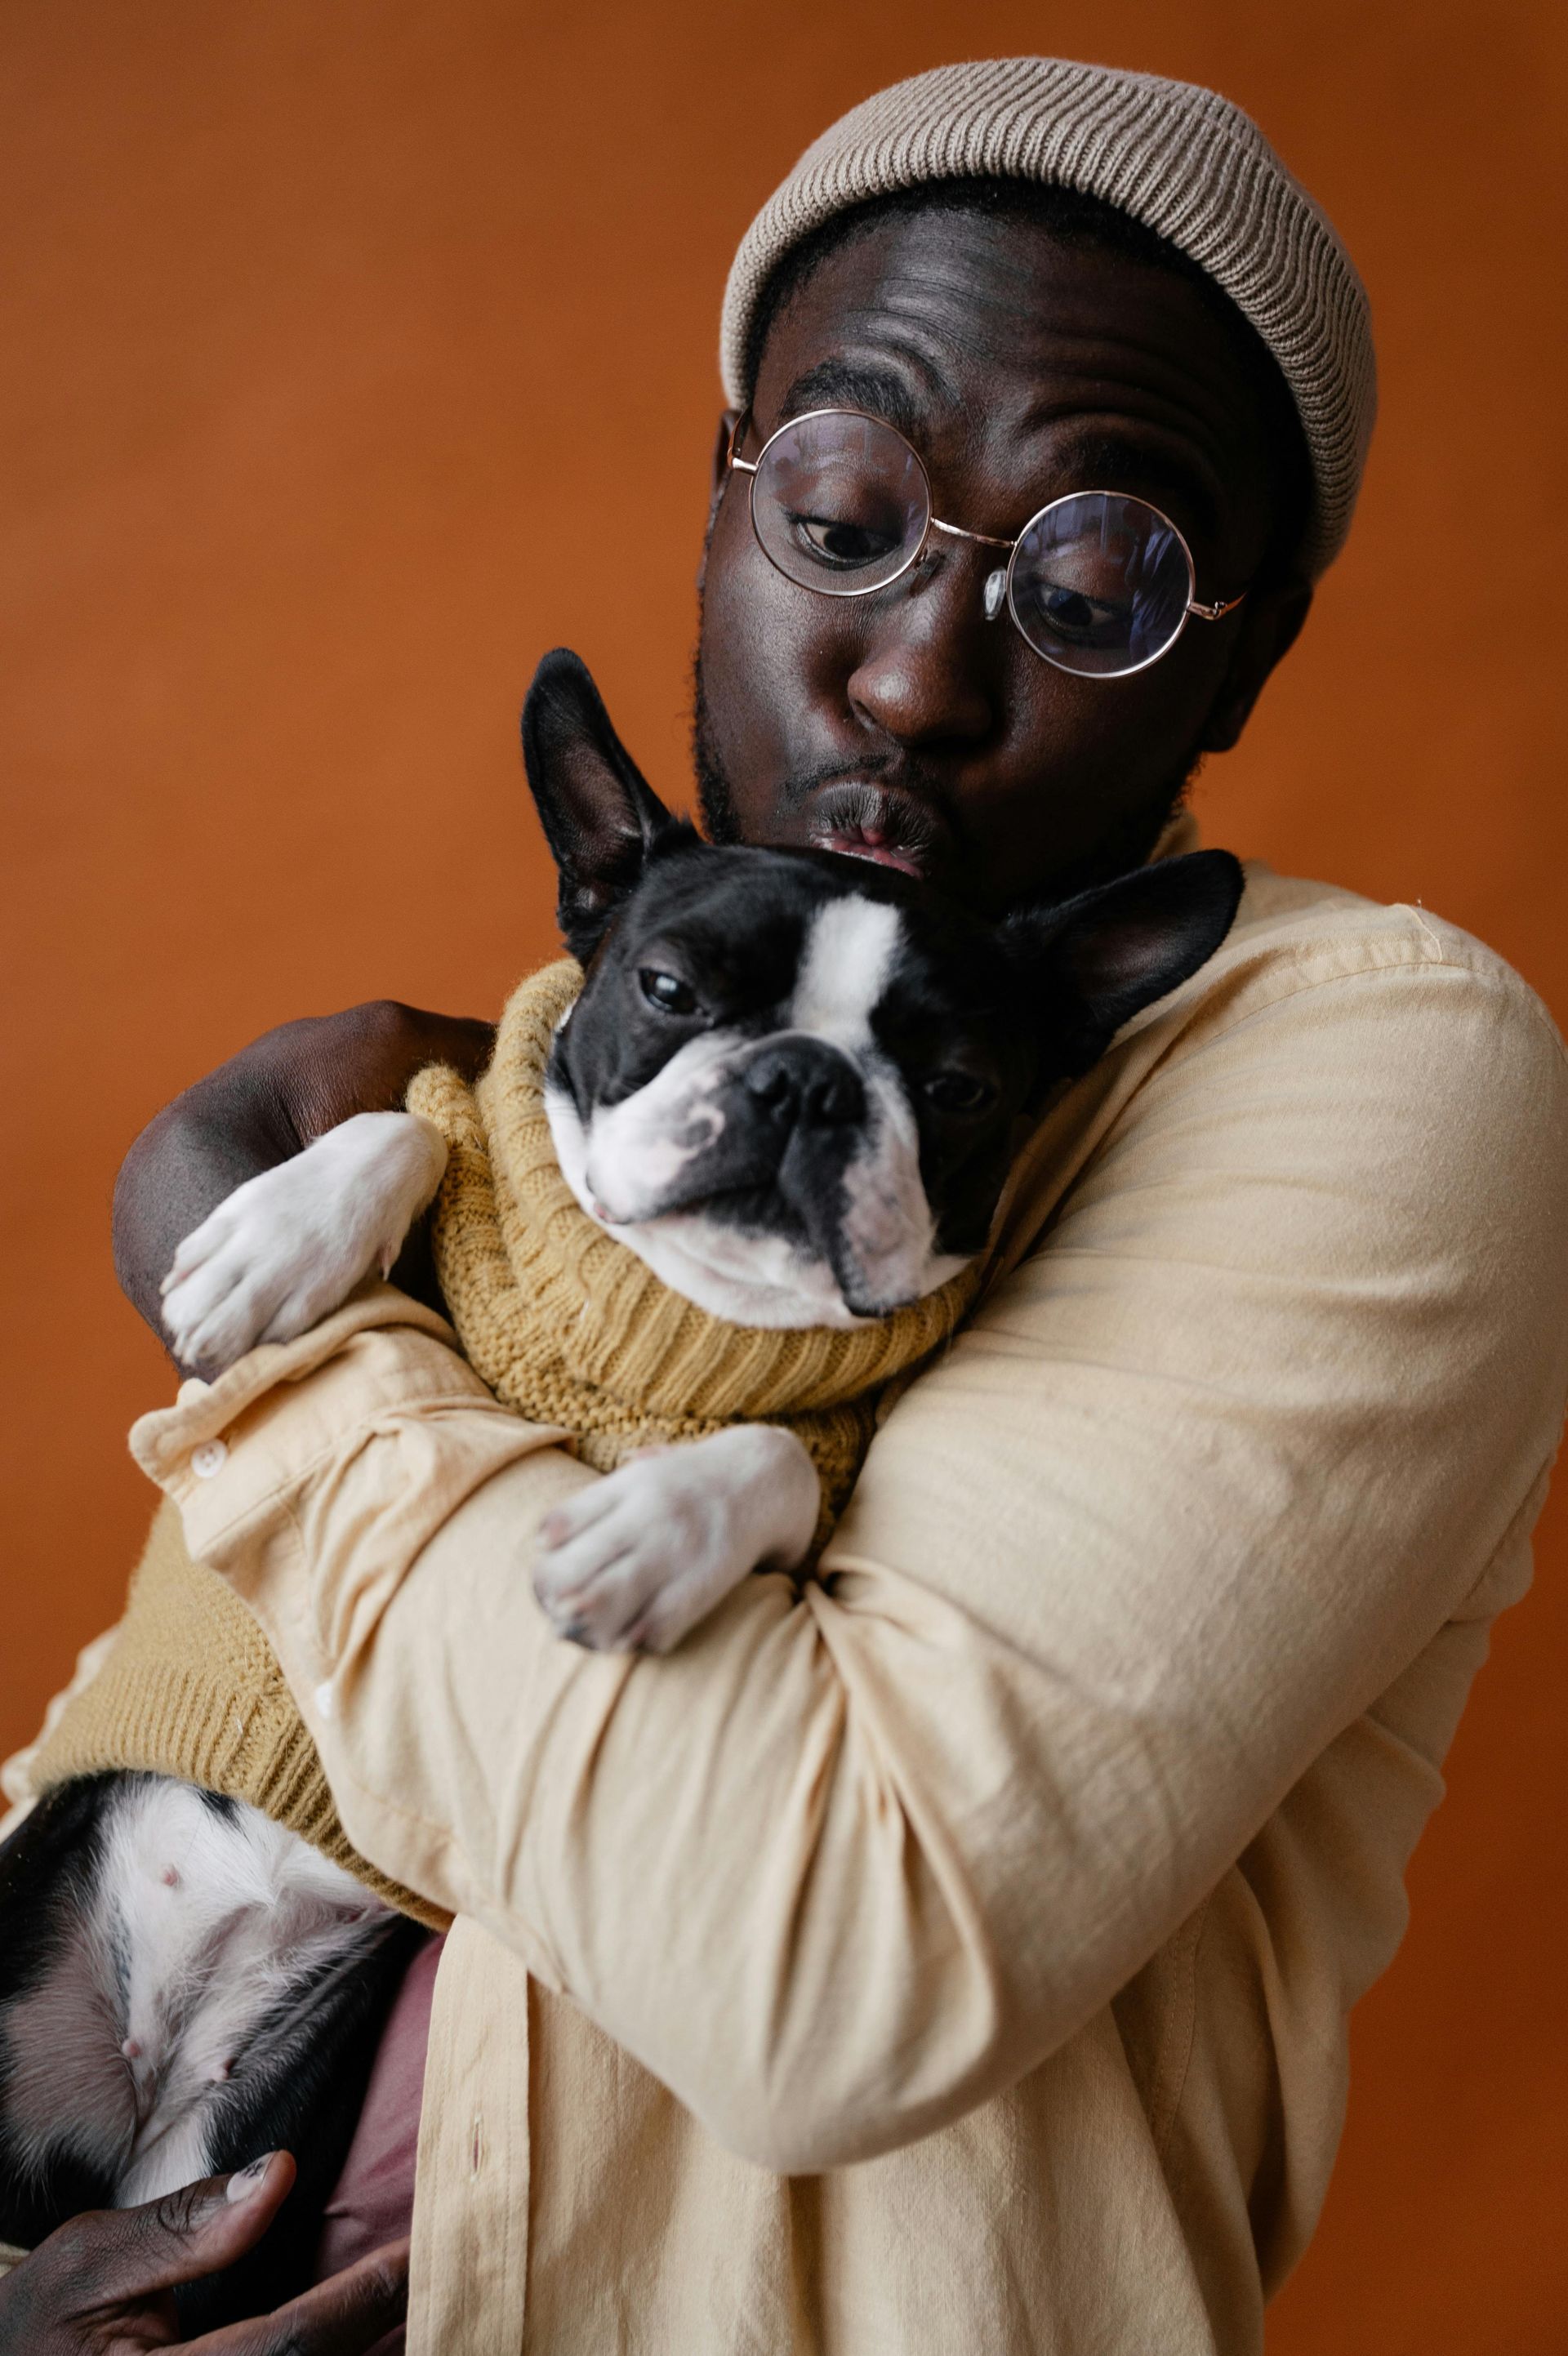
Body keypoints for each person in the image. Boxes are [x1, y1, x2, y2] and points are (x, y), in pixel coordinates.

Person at [7, 55, 1568, 2356]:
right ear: (717, 514)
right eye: (844, 512)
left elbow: (833, 1969)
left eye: (1103, 578)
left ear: (1250, 651)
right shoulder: (558, 1068)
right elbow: (143, 1763)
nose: (922, 676)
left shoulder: (1363, 1059)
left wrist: (281, 1347)